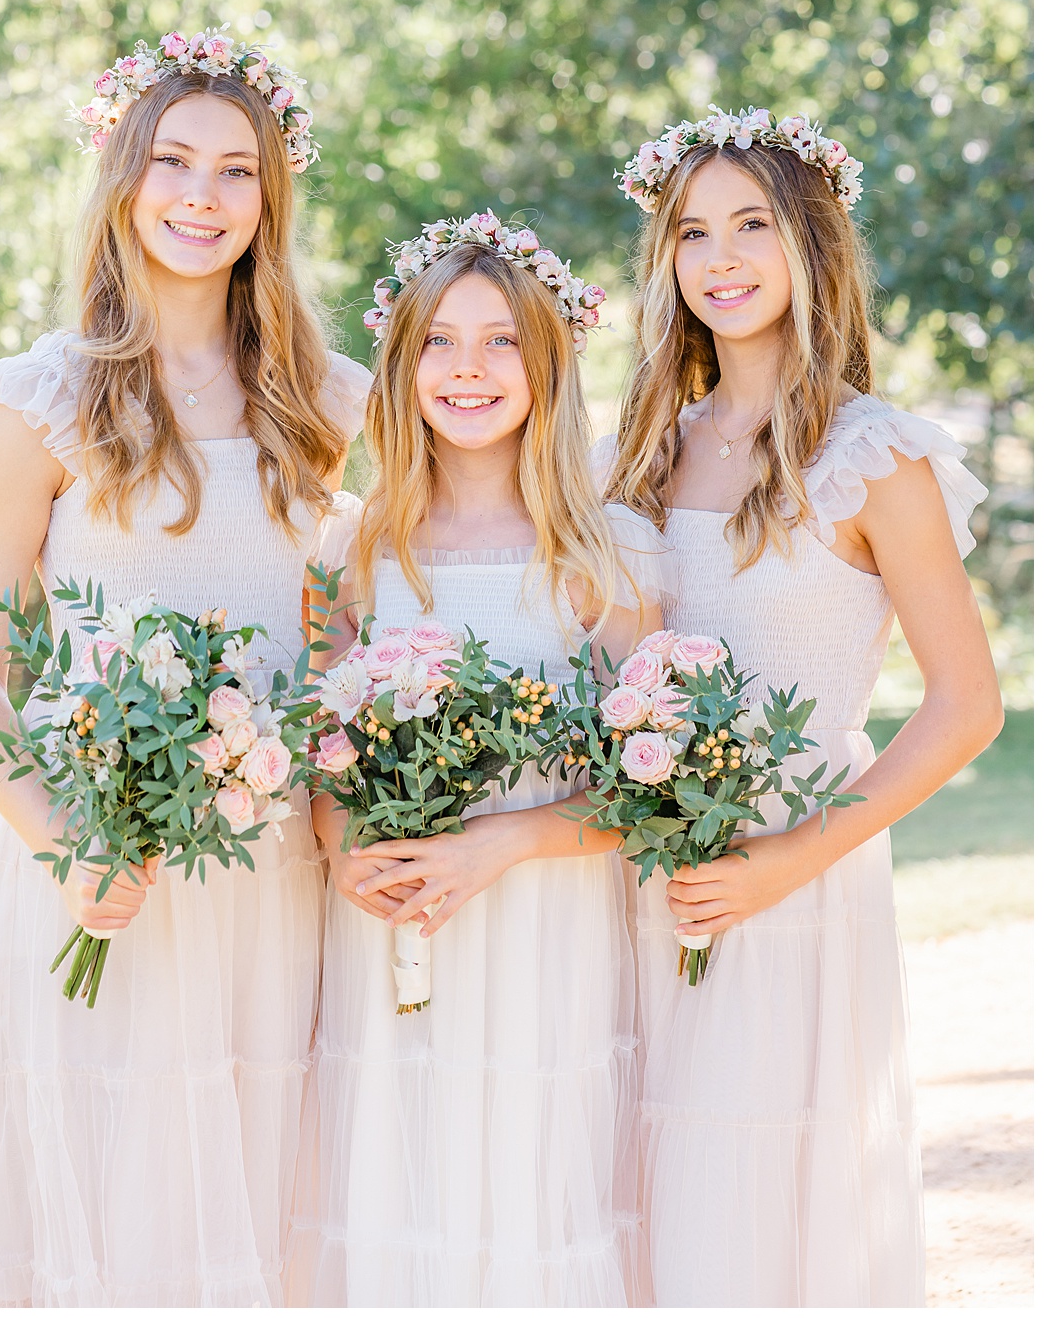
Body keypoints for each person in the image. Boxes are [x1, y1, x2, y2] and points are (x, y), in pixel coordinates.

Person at [0, 28, 371, 1307]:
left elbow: (328, 639)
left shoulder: (323, 402)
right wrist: (67, 842)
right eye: (173, 160)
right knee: (106, 1224)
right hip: (91, 857)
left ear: (269, 200)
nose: (200, 196)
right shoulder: (40, 402)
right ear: (122, 178)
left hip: (271, 871)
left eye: (237, 171)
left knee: (263, 1209)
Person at [602, 106, 1003, 1307]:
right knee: (642, 1182)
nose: (719, 258)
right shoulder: (642, 451)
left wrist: (788, 859)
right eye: (691, 232)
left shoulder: (876, 455)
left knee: (758, 1195)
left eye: (752, 225)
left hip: (794, 869)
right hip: (639, 865)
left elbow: (969, 704)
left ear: (812, 242)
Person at [284, 213, 672, 1307]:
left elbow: (654, 783)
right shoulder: (354, 548)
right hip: (392, 936)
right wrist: (343, 840)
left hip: (545, 935)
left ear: (547, 365)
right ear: (401, 366)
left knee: (529, 1185)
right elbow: (321, 747)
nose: (468, 368)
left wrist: (508, 839)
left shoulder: (605, 553)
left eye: (502, 340)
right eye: (440, 342)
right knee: (403, 1189)